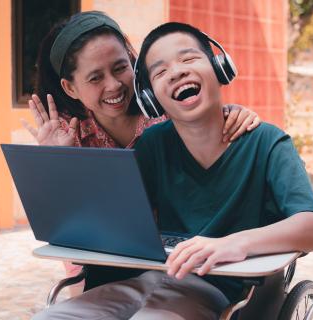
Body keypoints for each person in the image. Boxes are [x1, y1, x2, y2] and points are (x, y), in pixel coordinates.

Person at [33, 22, 313, 320]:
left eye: (189, 59)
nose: (177, 72)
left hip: (217, 289)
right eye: (161, 72)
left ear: (219, 68)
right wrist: (57, 162)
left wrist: (234, 244)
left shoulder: (266, 141)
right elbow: (101, 221)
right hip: (145, 279)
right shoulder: (153, 144)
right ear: (151, 97)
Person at [23, 11, 260, 296]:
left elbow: (205, 116)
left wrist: (230, 114)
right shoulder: (67, 135)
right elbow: (66, 227)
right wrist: (55, 164)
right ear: (70, 88)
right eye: (95, 77)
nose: (113, 85)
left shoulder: (166, 111)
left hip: (182, 259)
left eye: (120, 67)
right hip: (107, 259)